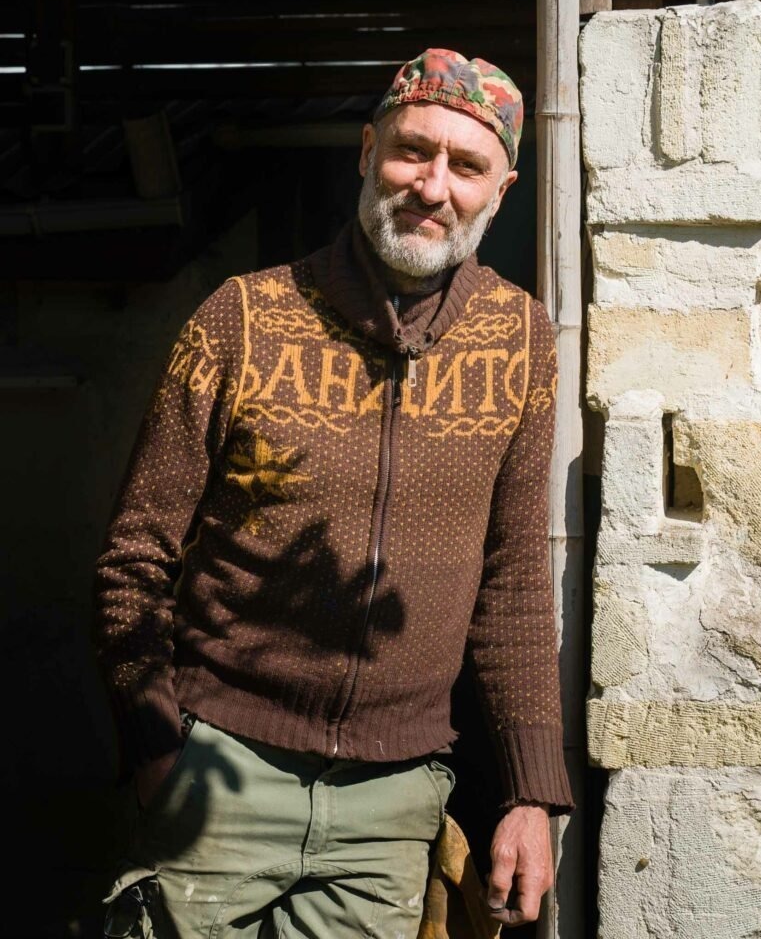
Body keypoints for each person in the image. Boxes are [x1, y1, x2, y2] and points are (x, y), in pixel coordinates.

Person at [93, 48, 574, 939]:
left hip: (391, 808)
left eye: (466, 166)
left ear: (500, 192)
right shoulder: (239, 319)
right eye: (411, 151)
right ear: (365, 152)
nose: (432, 186)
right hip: (218, 770)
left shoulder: (522, 340)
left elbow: (512, 582)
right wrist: (154, 734)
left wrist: (532, 793)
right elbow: (135, 553)